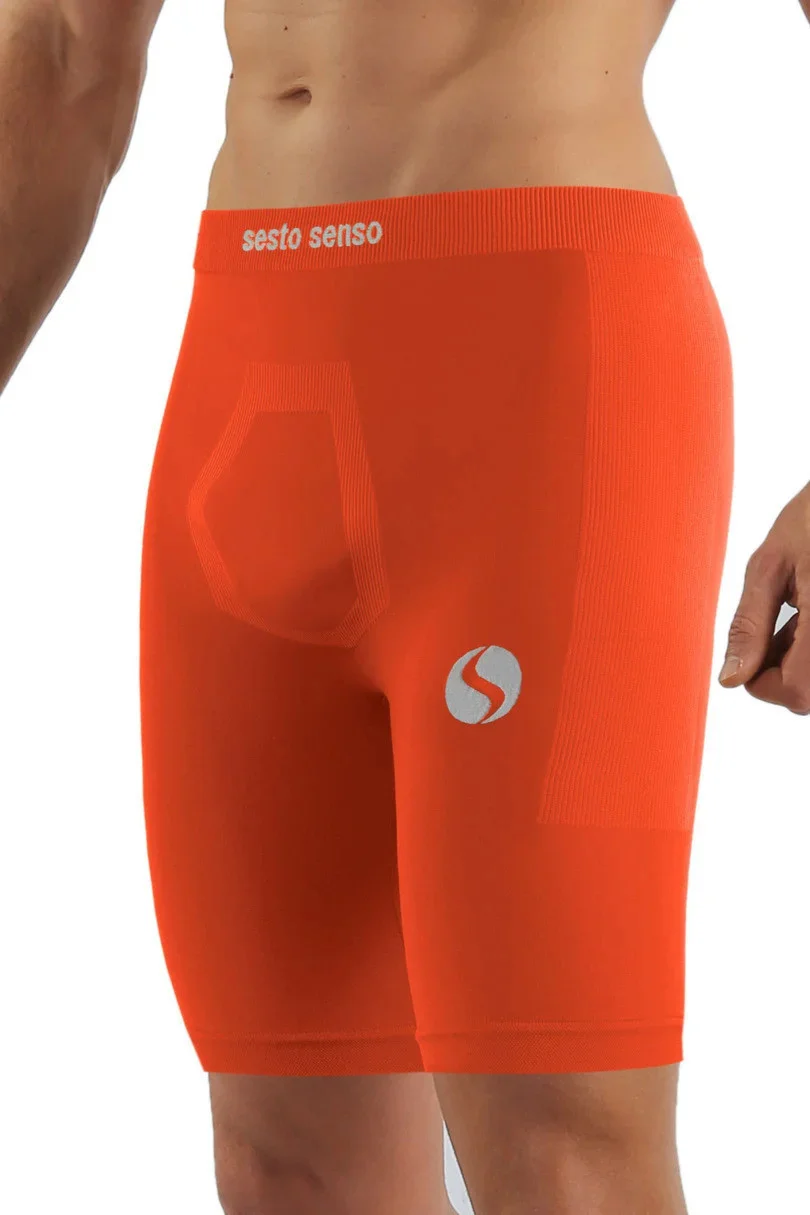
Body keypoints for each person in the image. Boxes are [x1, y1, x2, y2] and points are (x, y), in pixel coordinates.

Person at [1, 3, 808, 1214]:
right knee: (285, 1162)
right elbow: (66, 49)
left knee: (562, 1141)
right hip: (246, 366)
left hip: (543, 365)